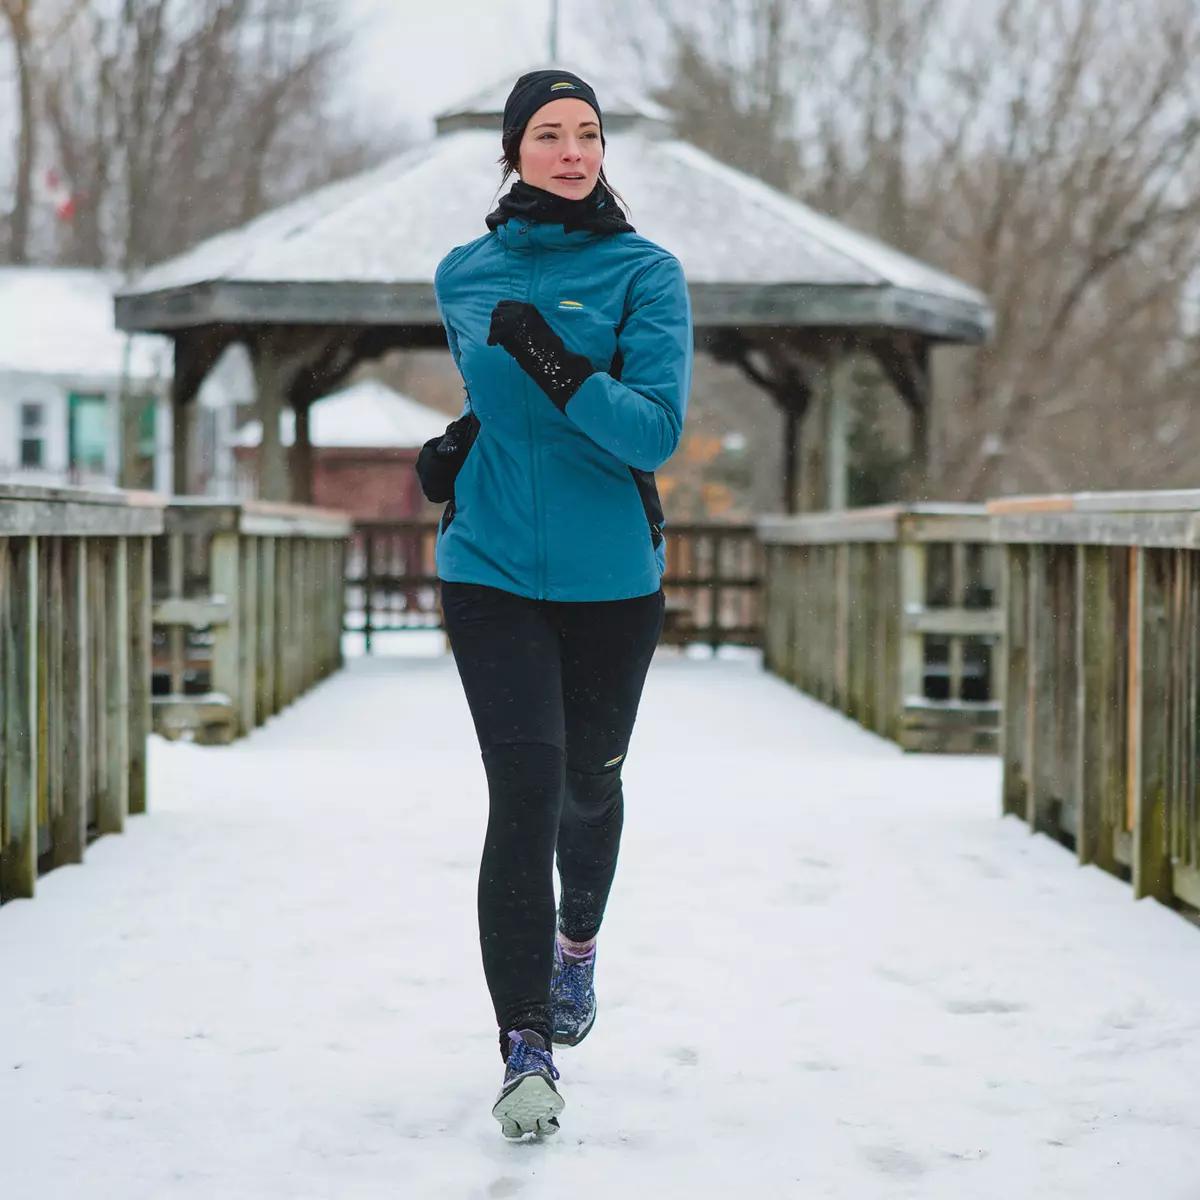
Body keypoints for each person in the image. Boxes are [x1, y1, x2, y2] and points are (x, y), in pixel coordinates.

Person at [419, 68, 693, 1139]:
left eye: (587, 134)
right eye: (550, 133)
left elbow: (655, 433)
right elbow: (493, 404)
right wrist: (456, 449)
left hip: (611, 578)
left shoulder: (646, 272)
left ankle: (578, 944)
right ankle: (524, 1043)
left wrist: (558, 364)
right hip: (486, 567)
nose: (573, 152)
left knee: (587, 785)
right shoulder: (462, 273)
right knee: (523, 792)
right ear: (514, 149)